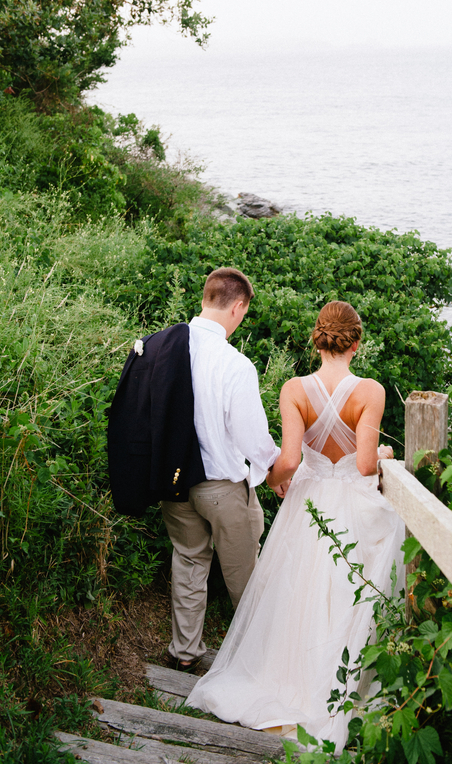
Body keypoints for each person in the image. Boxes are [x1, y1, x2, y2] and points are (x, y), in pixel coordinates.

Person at [186, 301, 404, 750]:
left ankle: (282, 679)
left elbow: (287, 460)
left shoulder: (294, 389)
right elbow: (365, 464)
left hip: (308, 502)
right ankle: (337, 687)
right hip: (350, 503)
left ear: (315, 340)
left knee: (298, 592)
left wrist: (278, 481)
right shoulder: (370, 391)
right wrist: (384, 456)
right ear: (356, 343)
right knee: (344, 591)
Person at [159, 268, 281, 671]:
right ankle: (259, 659)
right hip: (221, 486)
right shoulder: (235, 365)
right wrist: (276, 468)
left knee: (190, 562)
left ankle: (184, 653)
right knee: (244, 575)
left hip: (173, 481)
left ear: (205, 298)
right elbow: (251, 438)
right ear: (239, 306)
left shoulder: (162, 346)